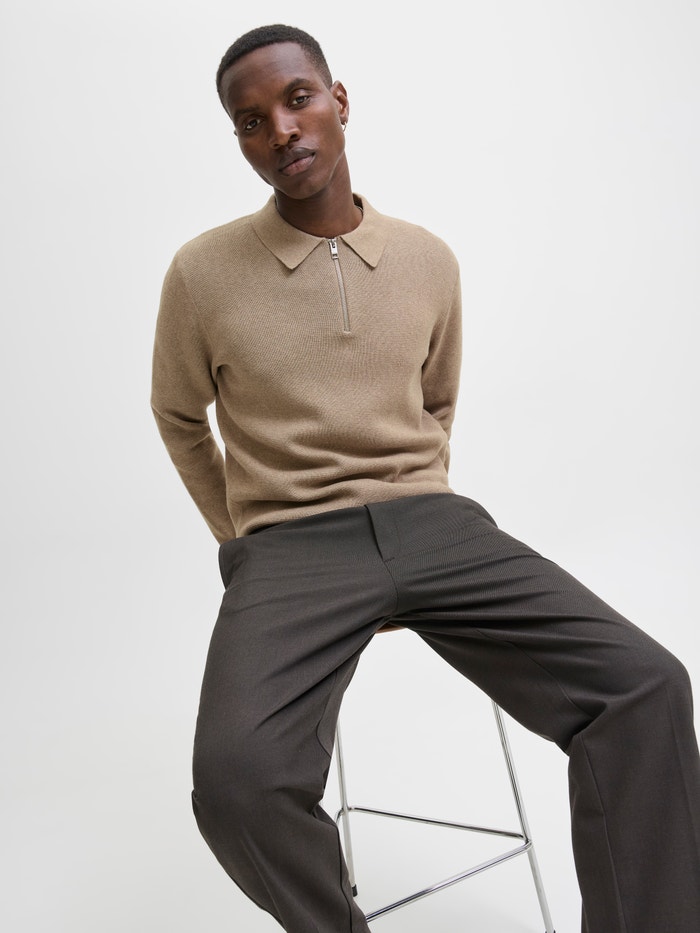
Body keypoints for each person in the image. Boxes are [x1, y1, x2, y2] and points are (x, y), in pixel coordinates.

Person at [151, 23, 700, 933]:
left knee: (647, 686)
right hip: (289, 547)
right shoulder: (202, 272)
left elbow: (436, 402)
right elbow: (178, 414)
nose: (281, 129)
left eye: (297, 99)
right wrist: (241, 535)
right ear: (239, 141)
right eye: (250, 121)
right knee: (237, 779)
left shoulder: (428, 259)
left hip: (435, 526)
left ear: (339, 101)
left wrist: (414, 511)